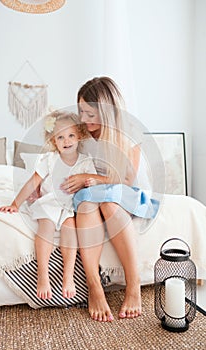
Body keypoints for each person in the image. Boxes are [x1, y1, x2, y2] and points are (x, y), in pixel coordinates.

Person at [60, 77, 159, 322]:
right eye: (81, 111)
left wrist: (89, 176)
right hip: (93, 190)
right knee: (85, 201)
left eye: (90, 113)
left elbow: (126, 179)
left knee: (107, 201)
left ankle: (133, 284)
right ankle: (94, 286)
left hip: (126, 191)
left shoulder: (129, 132)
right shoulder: (84, 134)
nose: (84, 119)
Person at [0, 110, 97, 300]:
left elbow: (91, 180)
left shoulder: (85, 162)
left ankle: (68, 276)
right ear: (54, 141)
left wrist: (90, 182)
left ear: (79, 136)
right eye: (60, 137)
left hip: (69, 206)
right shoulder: (49, 160)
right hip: (48, 203)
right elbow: (32, 183)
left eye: (70, 135)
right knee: (46, 227)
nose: (66, 141)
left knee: (70, 228)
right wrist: (15, 204)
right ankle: (42, 276)